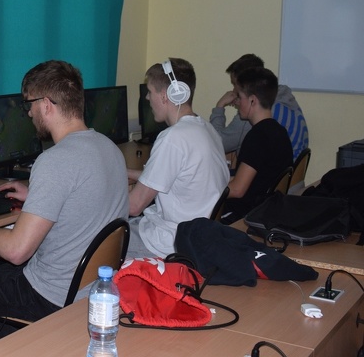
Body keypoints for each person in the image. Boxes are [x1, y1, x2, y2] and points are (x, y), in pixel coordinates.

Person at [0, 60, 129, 345]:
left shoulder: (56, 161)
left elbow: (16, 252)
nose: (28, 112)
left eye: (30, 104)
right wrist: (36, 195)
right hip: (88, 292)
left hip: (47, 299)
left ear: (46, 104)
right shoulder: (109, 149)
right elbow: (82, 197)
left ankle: (28, 344)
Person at [126, 58, 228, 259]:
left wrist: (101, 194)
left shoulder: (173, 138)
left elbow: (134, 206)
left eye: (150, 91)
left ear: (166, 96)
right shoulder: (206, 129)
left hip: (168, 244)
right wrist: (129, 173)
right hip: (199, 239)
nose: (147, 97)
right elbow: (173, 177)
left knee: (95, 240)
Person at [221, 67, 294, 224]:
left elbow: (237, 190)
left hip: (244, 215)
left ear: (252, 100)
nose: (237, 103)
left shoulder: (258, 137)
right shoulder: (279, 131)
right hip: (267, 210)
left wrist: (202, 189)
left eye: (240, 97)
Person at [211, 53, 308, 161]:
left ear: (245, 83)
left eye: (235, 84)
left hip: (273, 171)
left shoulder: (257, 111)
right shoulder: (284, 98)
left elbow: (218, 144)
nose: (234, 90)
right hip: (289, 169)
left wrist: (219, 107)